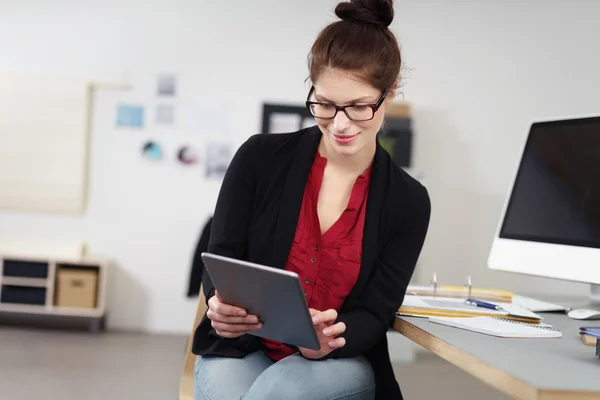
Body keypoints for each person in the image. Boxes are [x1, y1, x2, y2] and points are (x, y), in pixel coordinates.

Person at [192, 0, 431, 399]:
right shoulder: (258, 158)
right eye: (324, 104)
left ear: (388, 93)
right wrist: (219, 306)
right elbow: (221, 260)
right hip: (242, 349)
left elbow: (376, 312)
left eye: (358, 106)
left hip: (335, 361)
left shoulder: (408, 202)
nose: (339, 124)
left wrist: (332, 338)